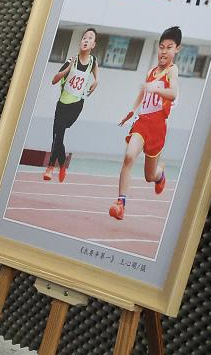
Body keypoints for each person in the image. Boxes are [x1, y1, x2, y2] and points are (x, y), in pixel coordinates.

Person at [109, 26, 181, 221]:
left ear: (177, 49)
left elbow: (173, 93)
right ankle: (121, 204)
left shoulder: (172, 71)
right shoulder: (151, 71)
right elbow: (143, 92)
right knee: (129, 156)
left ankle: (160, 174)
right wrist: (132, 111)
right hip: (142, 122)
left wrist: (155, 89)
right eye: (161, 47)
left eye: (169, 47)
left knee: (149, 176)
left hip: (157, 127)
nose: (164, 51)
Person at [44, 28, 98, 182]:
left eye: (90, 38)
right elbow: (54, 80)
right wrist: (67, 69)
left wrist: (96, 81)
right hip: (62, 104)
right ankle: (57, 166)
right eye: (84, 37)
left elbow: (96, 71)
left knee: (59, 135)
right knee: (57, 137)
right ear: (81, 42)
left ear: (93, 44)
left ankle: (56, 166)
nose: (86, 40)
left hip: (76, 106)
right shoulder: (71, 61)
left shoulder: (93, 61)